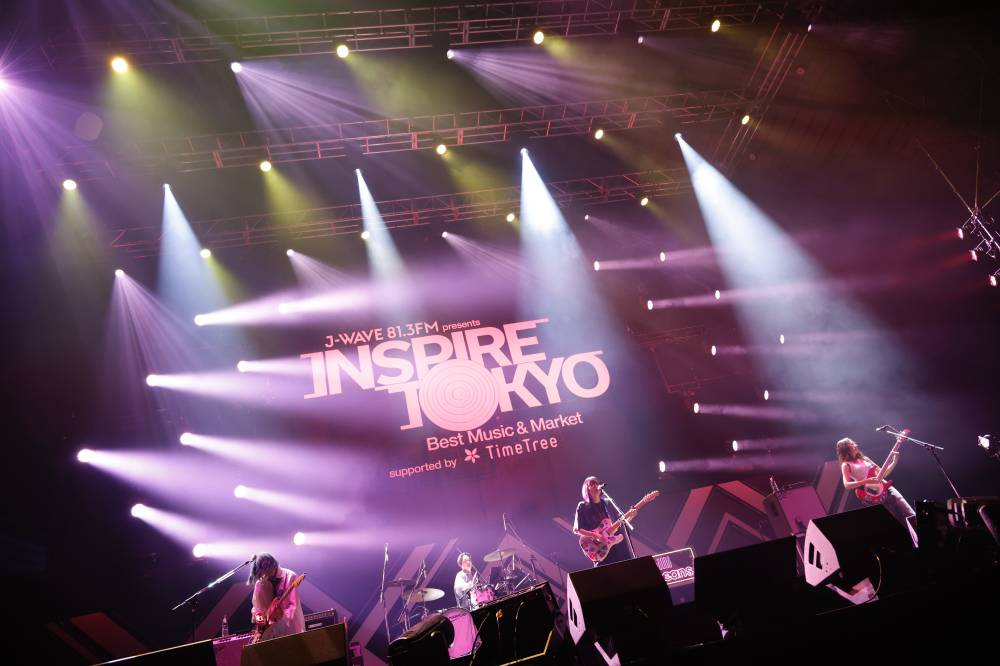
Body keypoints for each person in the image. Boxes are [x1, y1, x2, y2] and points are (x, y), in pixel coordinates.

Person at [837, 437, 917, 539]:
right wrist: (866, 481)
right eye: (852, 444)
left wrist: (894, 461)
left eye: (854, 443)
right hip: (873, 497)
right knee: (895, 525)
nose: (855, 445)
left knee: (910, 513)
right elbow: (847, 485)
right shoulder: (846, 465)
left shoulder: (865, 459)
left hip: (887, 489)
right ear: (845, 448)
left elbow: (883, 474)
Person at [573, 476, 634, 567]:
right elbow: (577, 529)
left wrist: (630, 517)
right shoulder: (583, 506)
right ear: (587, 489)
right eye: (592, 484)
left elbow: (616, 527)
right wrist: (596, 535)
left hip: (616, 549)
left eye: (597, 483)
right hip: (600, 552)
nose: (596, 485)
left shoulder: (607, 503)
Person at [248, 553, 306, 640]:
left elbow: (293, 606)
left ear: (272, 564)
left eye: (266, 570)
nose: (264, 574)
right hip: (268, 632)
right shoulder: (260, 583)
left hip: (290, 629)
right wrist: (259, 617)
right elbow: (257, 607)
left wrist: (279, 617)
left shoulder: (290, 576)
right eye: (262, 572)